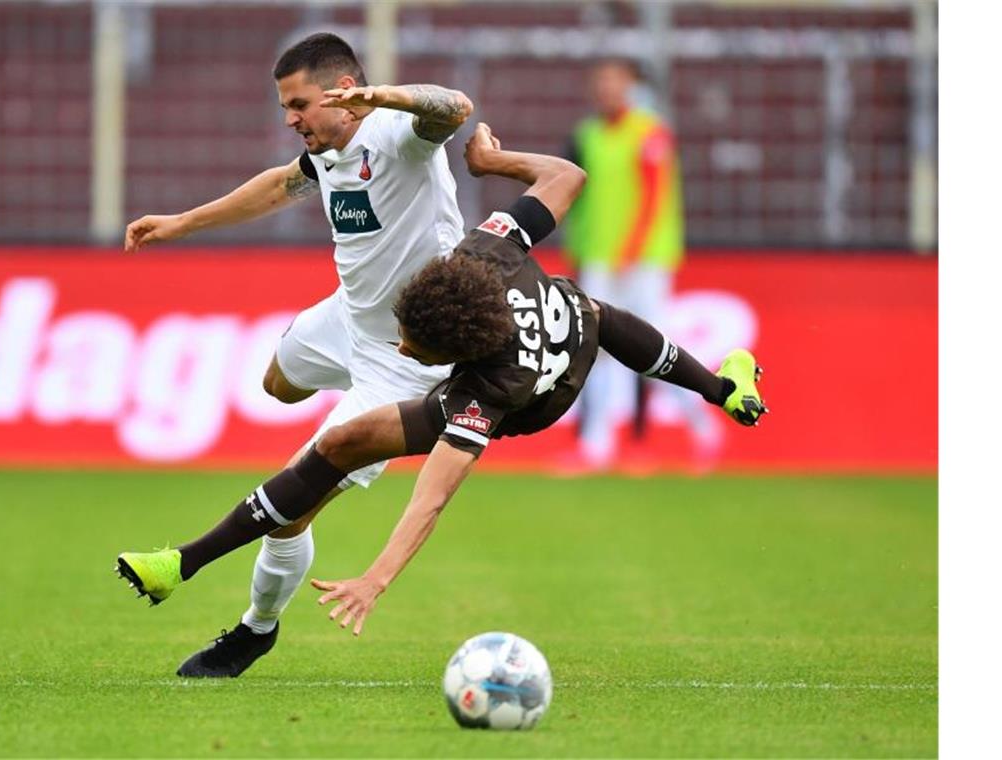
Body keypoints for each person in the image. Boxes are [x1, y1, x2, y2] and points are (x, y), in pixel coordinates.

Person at [116, 123, 768, 654]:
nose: (401, 347)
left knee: (344, 444)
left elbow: (430, 500)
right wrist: (492, 159)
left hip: (544, 389)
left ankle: (187, 564)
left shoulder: (483, 394)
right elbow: (566, 178)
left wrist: (377, 578)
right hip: (567, 312)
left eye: (413, 347)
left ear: (449, 359)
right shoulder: (482, 253)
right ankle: (722, 384)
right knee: (594, 312)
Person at [122, 32, 475, 676]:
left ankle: (255, 630)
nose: (290, 119)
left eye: (299, 105)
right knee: (276, 384)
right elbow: (281, 185)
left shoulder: (399, 134)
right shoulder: (325, 149)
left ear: (346, 94)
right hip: (348, 317)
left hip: (406, 359)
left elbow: (453, 106)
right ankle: (327, 410)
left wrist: (386, 96)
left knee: (292, 506)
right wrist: (181, 223)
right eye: (285, 106)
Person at [563, 60, 718, 469]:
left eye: (616, 82)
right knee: (591, 349)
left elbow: (654, 195)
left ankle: (703, 423)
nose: (608, 90)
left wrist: (630, 250)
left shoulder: (650, 132)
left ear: (633, 87)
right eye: (601, 82)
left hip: (643, 260)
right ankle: (596, 446)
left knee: (656, 350)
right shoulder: (588, 134)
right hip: (599, 254)